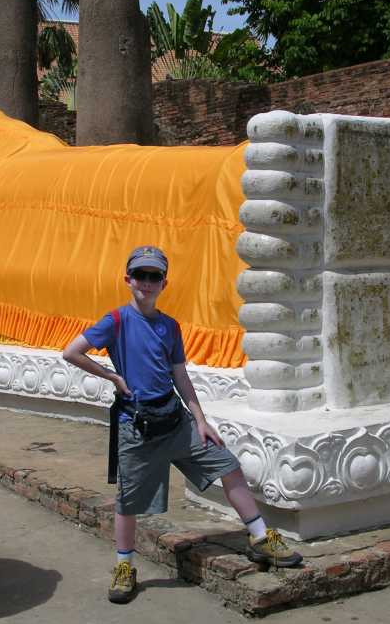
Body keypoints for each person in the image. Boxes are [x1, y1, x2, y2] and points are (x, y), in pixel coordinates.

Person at [62, 245, 303, 604]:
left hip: (175, 420)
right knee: (127, 501)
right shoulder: (116, 321)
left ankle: (259, 537)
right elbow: (71, 352)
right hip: (138, 425)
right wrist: (113, 377)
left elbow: (180, 376)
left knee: (228, 465)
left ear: (164, 283)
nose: (146, 282)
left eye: (154, 276)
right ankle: (125, 565)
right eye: (140, 275)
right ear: (127, 279)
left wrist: (201, 421)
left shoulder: (169, 326)